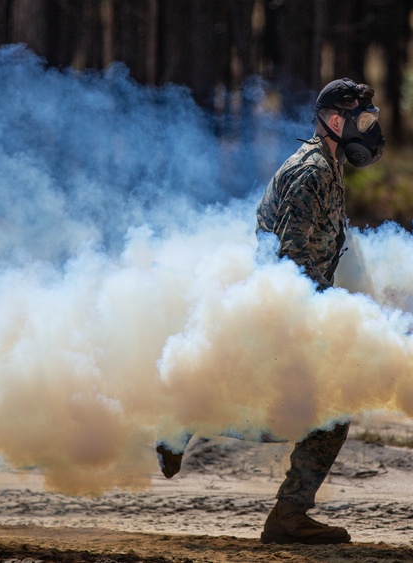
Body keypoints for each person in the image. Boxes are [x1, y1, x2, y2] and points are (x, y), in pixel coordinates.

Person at [156, 77, 385, 545]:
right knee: (322, 414)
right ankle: (285, 516)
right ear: (335, 121)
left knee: (299, 411)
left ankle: (187, 424)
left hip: (294, 306)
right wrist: (328, 313)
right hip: (286, 309)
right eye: (362, 121)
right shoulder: (312, 171)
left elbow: (331, 250)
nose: (370, 130)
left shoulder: (329, 166)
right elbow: (292, 255)